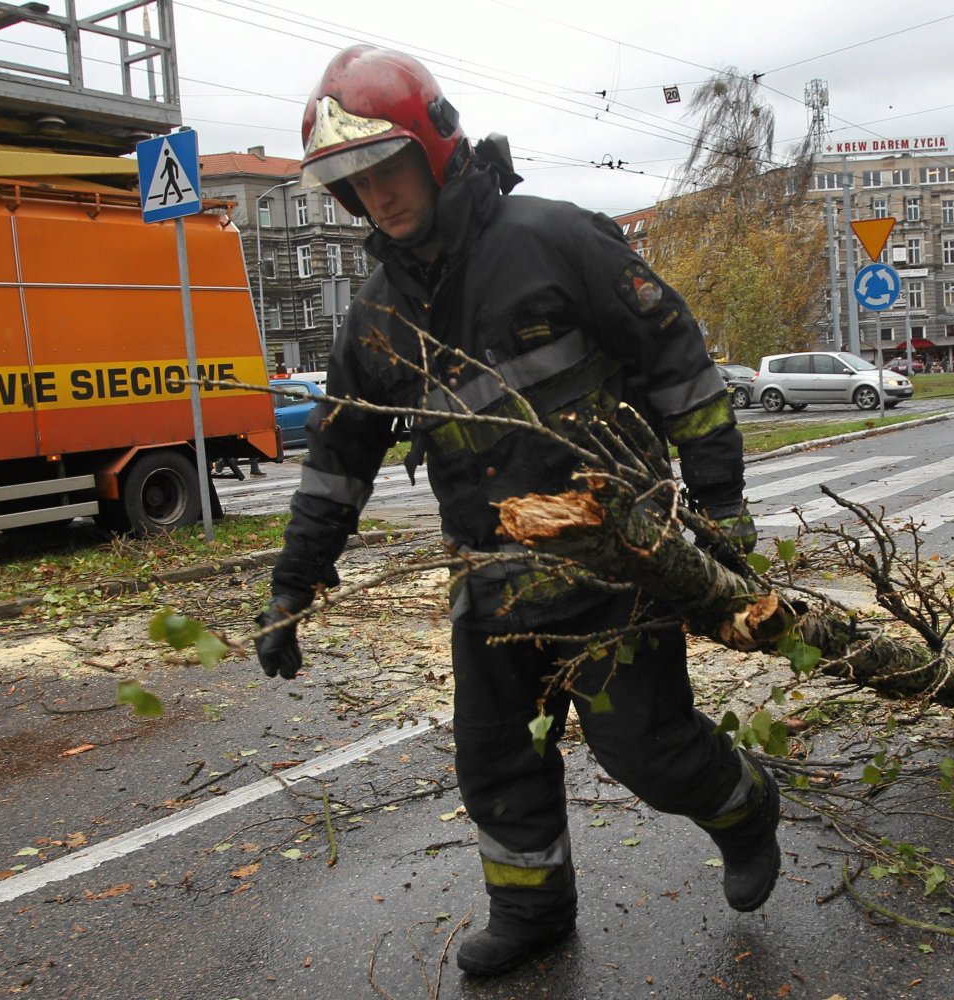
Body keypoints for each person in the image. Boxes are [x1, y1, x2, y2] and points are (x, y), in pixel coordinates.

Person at [252, 46, 776, 979]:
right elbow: (336, 466)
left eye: (385, 167)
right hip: (487, 579)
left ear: (435, 147)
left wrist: (723, 508)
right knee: (495, 762)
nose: (375, 196)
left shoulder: (552, 238)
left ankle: (744, 808)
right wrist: (293, 586)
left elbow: (679, 366)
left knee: (644, 750)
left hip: (617, 559)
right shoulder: (372, 321)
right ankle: (531, 914)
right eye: (353, 182)